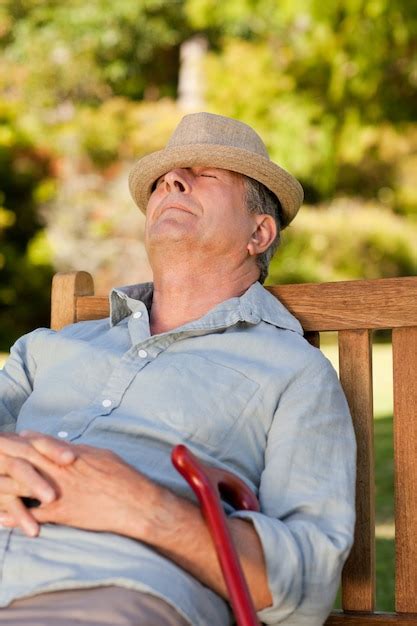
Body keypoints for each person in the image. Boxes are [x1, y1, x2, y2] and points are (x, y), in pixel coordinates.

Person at [0, 112, 356, 626]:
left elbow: (308, 581)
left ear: (259, 232)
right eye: (166, 179)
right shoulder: (48, 348)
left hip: (101, 592)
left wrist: (144, 509)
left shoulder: (293, 372)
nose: (172, 180)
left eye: (206, 174)